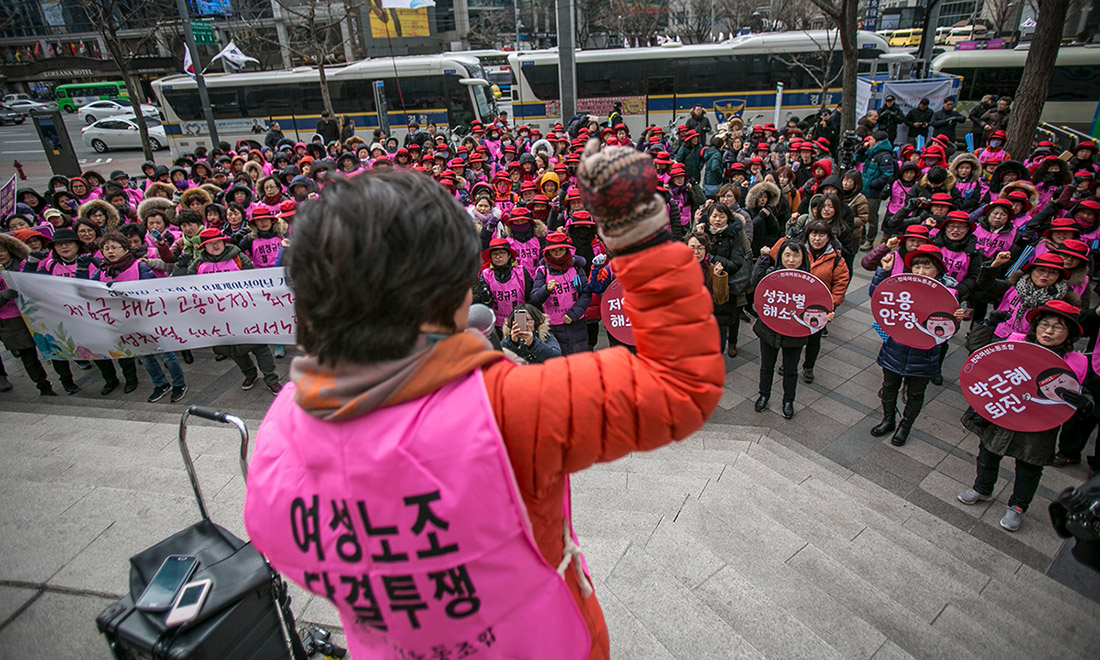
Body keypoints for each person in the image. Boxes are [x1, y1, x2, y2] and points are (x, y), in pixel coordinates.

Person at [242, 154, 725, 660]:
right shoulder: (508, 409)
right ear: (451, 292)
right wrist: (640, 234)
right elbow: (683, 384)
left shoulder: (281, 429)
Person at [959, 301, 1091, 532]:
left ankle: (1018, 507)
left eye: (1057, 327)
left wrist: (1085, 402)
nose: (1048, 331)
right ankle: (983, 489)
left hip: (1040, 425)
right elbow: (978, 349)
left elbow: (1085, 393)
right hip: (1004, 416)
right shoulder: (1014, 344)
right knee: (988, 455)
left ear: (1069, 333)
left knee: (1029, 468)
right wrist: (988, 324)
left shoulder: (1075, 363)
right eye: (1044, 324)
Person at [871, 244, 964, 446]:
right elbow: (877, 296)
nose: (921, 272)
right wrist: (883, 271)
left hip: (925, 354)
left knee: (915, 393)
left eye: (927, 267)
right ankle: (888, 419)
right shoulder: (901, 286)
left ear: (938, 269)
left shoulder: (949, 294)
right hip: (895, 348)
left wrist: (956, 320)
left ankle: (905, 426)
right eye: (916, 267)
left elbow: (948, 331)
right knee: (889, 386)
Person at [751, 239, 827, 419]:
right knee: (766, 366)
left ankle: (788, 400)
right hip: (769, 329)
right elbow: (755, 282)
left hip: (795, 333)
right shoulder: (772, 274)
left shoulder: (809, 281)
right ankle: (764, 395)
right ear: (780, 256)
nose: (791, 259)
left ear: (803, 258)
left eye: (795, 255)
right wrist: (762, 260)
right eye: (787, 255)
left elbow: (817, 306)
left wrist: (825, 315)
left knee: (791, 369)